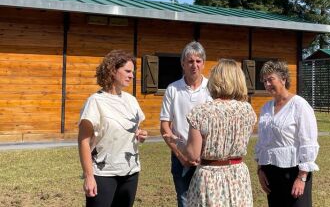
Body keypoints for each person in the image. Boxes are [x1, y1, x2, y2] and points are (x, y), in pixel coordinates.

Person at [164, 59, 257, 207]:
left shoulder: (201, 112)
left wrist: (177, 142)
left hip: (210, 177)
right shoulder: (247, 110)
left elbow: (193, 154)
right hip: (238, 175)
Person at [78, 49, 148, 207]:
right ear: (112, 70)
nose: (132, 75)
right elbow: (83, 141)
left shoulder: (131, 100)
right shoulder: (95, 101)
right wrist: (89, 176)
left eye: (133, 72)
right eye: (127, 71)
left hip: (131, 172)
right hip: (103, 174)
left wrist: (140, 134)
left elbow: (135, 129)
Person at [255, 60, 319, 207]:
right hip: (271, 172)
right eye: (264, 81)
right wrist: (260, 170)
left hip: (294, 172)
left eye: (271, 79)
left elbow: (308, 142)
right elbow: (262, 142)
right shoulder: (265, 108)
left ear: (283, 79)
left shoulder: (299, 105)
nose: (267, 84)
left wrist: (302, 177)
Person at [160, 41, 212, 207]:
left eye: (198, 61)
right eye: (190, 61)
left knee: (208, 202)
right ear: (183, 64)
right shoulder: (173, 89)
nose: (194, 65)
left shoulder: (212, 88)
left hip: (207, 157)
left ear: (203, 64)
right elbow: (165, 126)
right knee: (184, 202)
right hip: (180, 156)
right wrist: (181, 155)